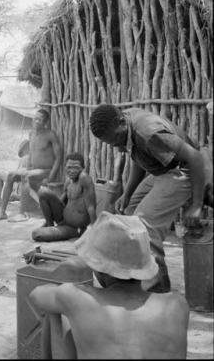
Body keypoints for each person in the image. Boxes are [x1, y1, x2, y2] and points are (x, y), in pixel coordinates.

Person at [29, 212, 189, 359]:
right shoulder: (177, 305)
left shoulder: (76, 298)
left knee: (59, 315)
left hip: (77, 296)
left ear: (98, 269)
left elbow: (36, 295)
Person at [89, 104, 206, 293]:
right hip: (162, 171)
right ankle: (137, 275)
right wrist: (127, 194)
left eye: (117, 142)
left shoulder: (149, 132)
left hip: (181, 171)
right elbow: (140, 157)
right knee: (128, 216)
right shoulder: (125, 123)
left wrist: (197, 205)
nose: (118, 149)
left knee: (144, 227)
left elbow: (196, 157)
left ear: (120, 122)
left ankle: (160, 291)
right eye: (113, 145)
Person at [0, 109, 62, 222]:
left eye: (40, 119)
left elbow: (58, 157)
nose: (36, 121)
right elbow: (32, 153)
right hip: (33, 169)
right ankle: (2, 212)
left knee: (26, 176)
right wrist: (27, 166)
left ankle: (22, 213)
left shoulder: (50, 135)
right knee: (10, 175)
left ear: (45, 122)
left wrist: (51, 176)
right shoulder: (31, 134)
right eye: (35, 118)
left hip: (45, 170)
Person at [32, 152, 96, 242]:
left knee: (36, 234)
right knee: (43, 191)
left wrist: (94, 229)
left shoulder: (84, 178)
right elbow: (62, 201)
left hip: (75, 228)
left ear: (83, 168)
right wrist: (49, 209)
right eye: (69, 167)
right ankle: (49, 225)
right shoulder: (68, 180)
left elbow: (91, 206)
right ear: (65, 166)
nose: (72, 171)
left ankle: (56, 230)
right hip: (63, 220)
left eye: (76, 168)